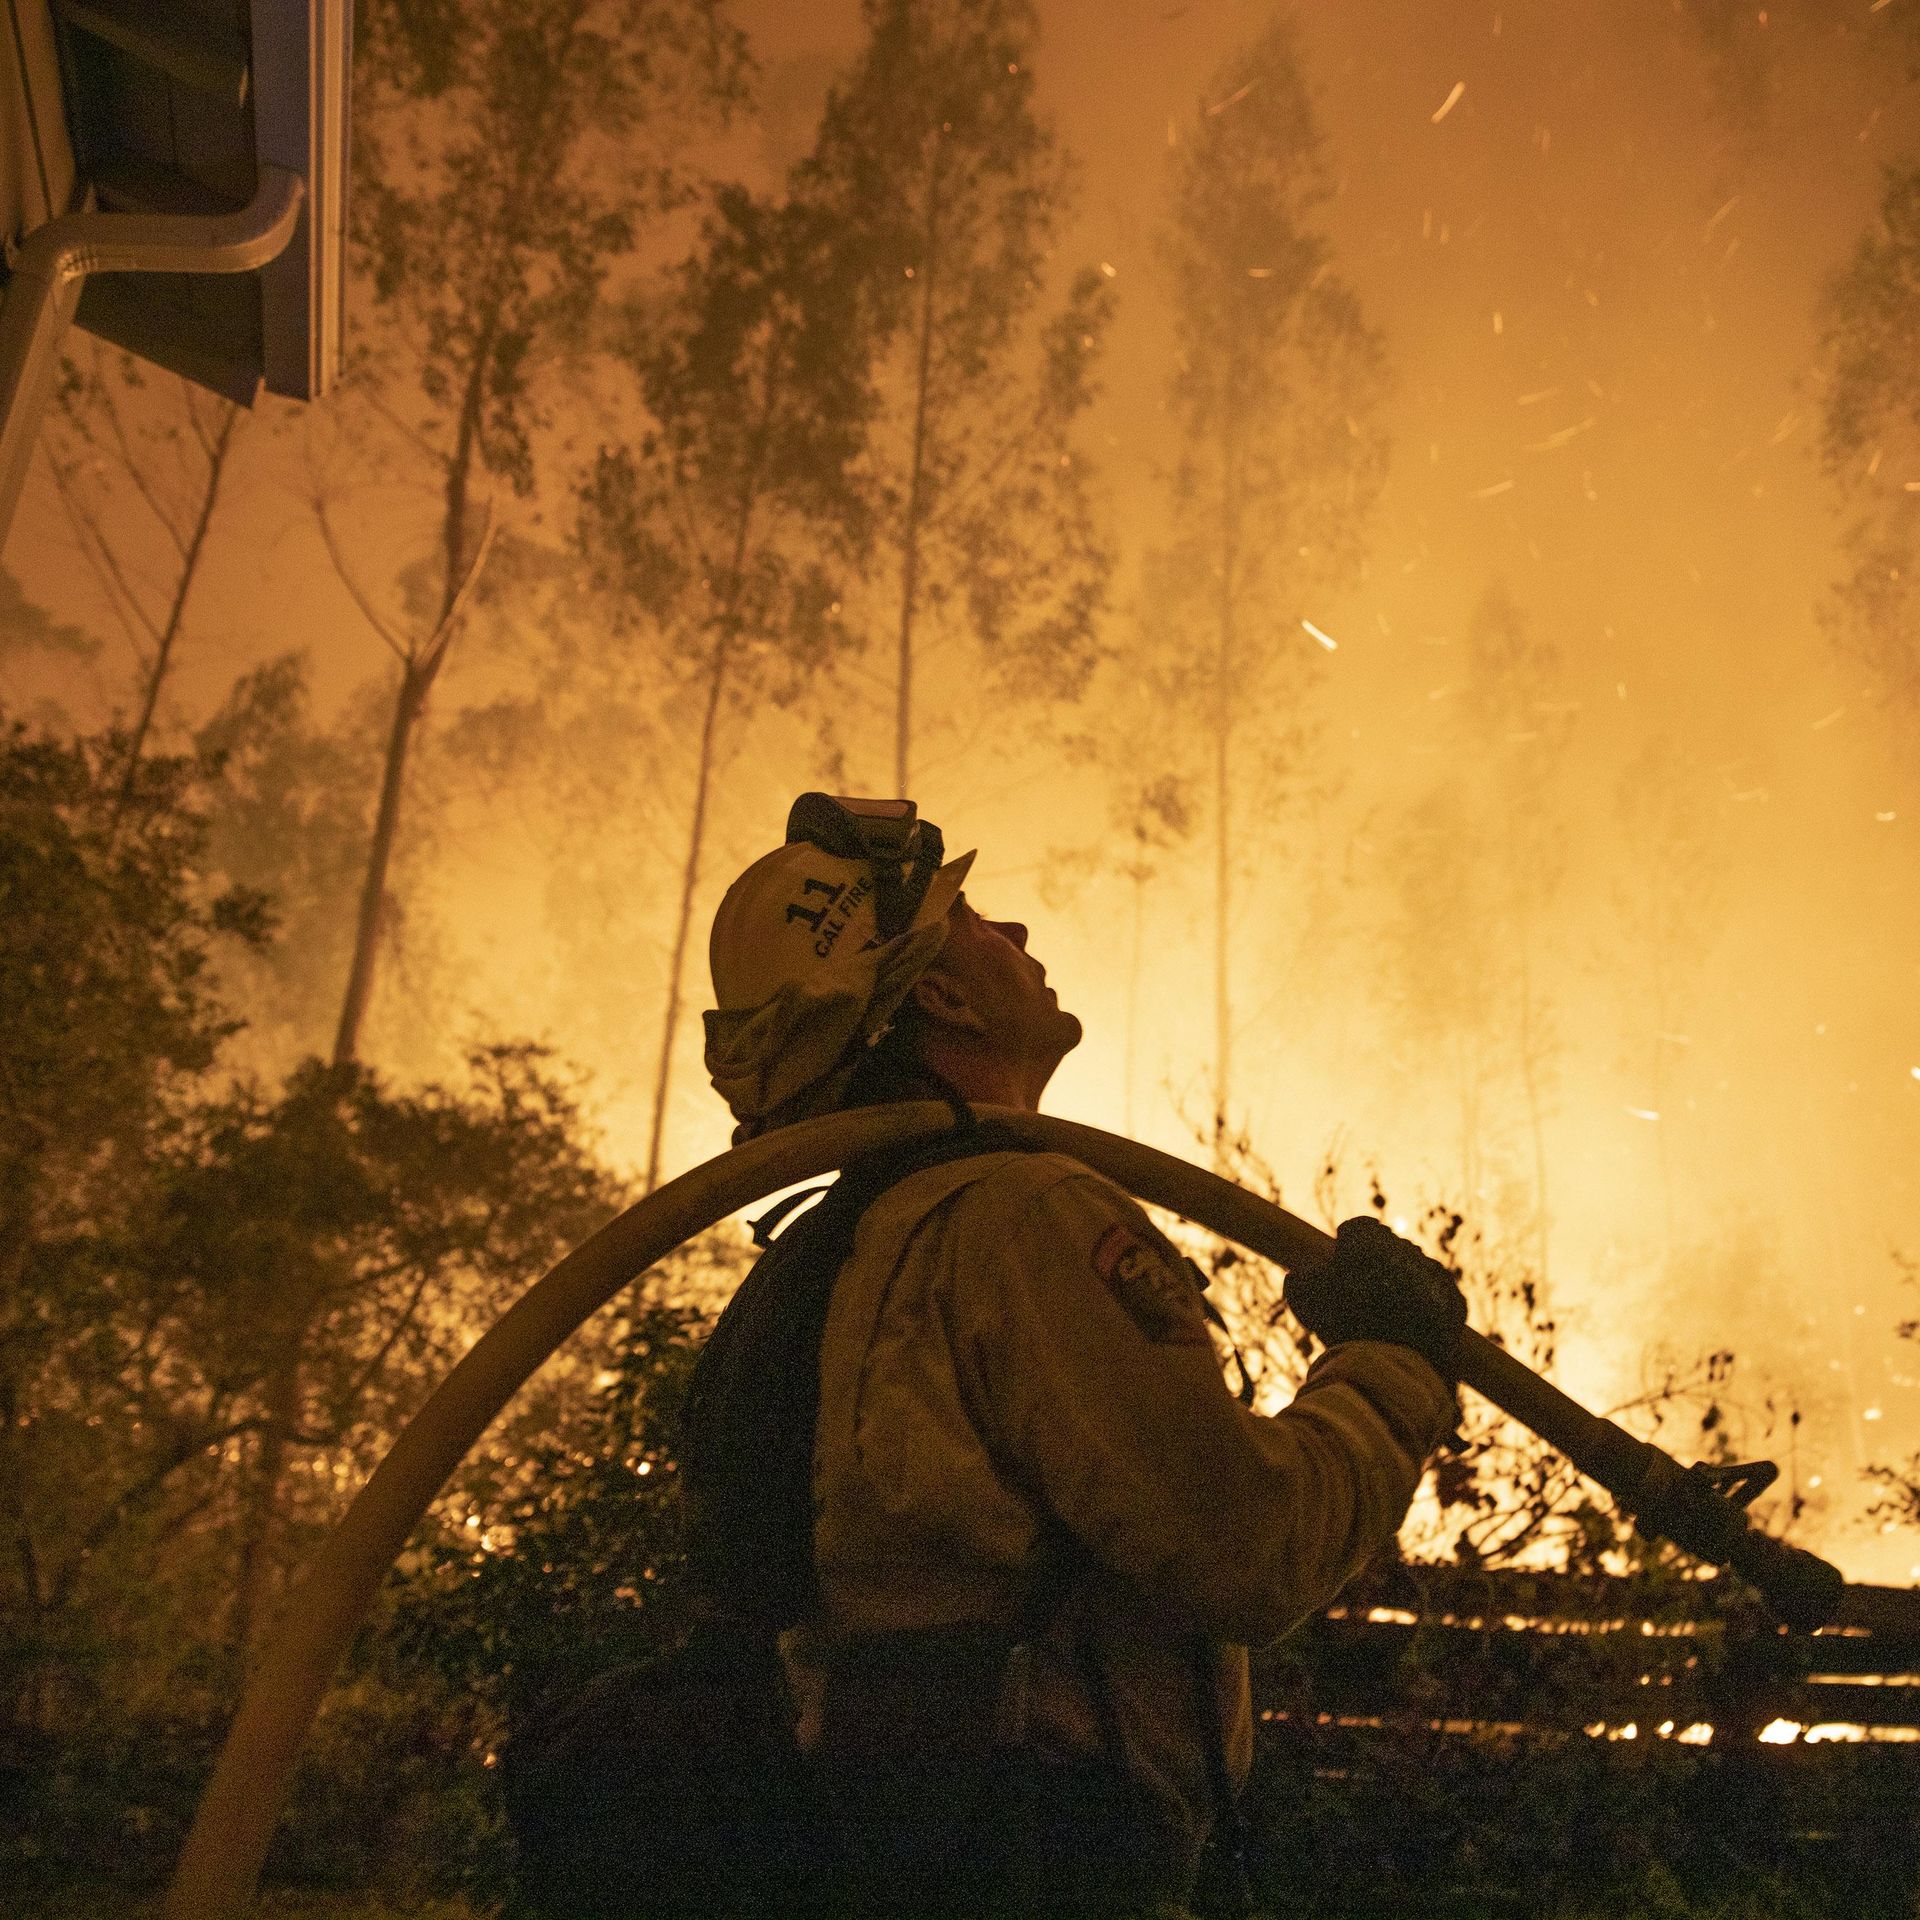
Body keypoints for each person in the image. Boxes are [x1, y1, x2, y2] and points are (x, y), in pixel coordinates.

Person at [693, 794, 1467, 1919]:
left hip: (905, 1854)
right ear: (942, 994)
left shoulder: (836, 1257)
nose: (1013, 938)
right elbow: (1247, 1543)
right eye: (974, 922)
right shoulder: (1018, 1216)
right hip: (1045, 1864)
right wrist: (1393, 1367)